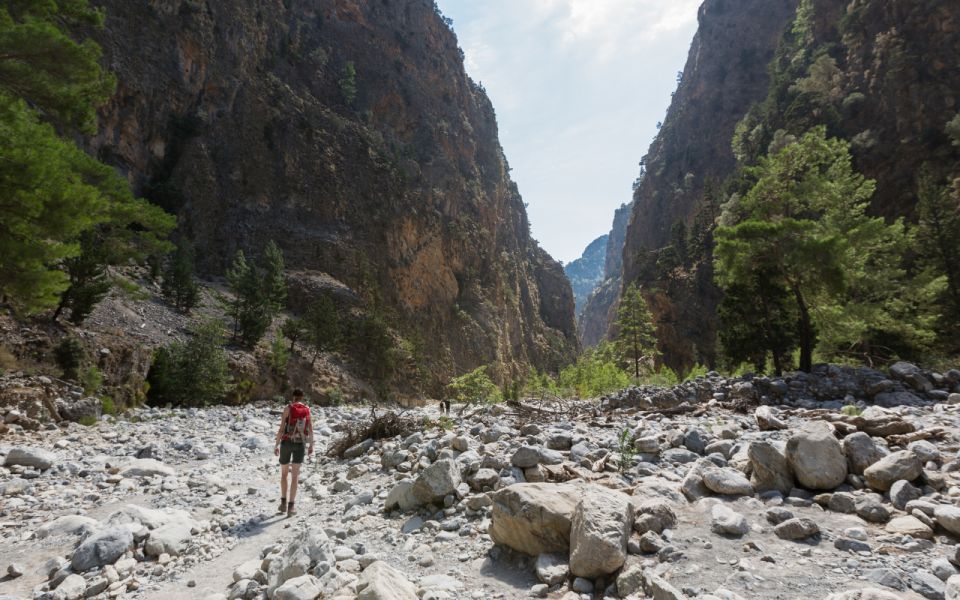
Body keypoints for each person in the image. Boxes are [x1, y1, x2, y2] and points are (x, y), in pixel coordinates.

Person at [273, 389, 314, 517]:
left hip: (286, 443)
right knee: (295, 476)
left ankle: (283, 503)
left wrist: (277, 444)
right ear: (302, 397)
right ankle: (291, 507)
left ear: (293, 397)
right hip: (300, 444)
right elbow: (310, 428)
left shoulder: (288, 408)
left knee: (284, 474)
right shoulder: (307, 409)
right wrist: (311, 445)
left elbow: (281, 428)